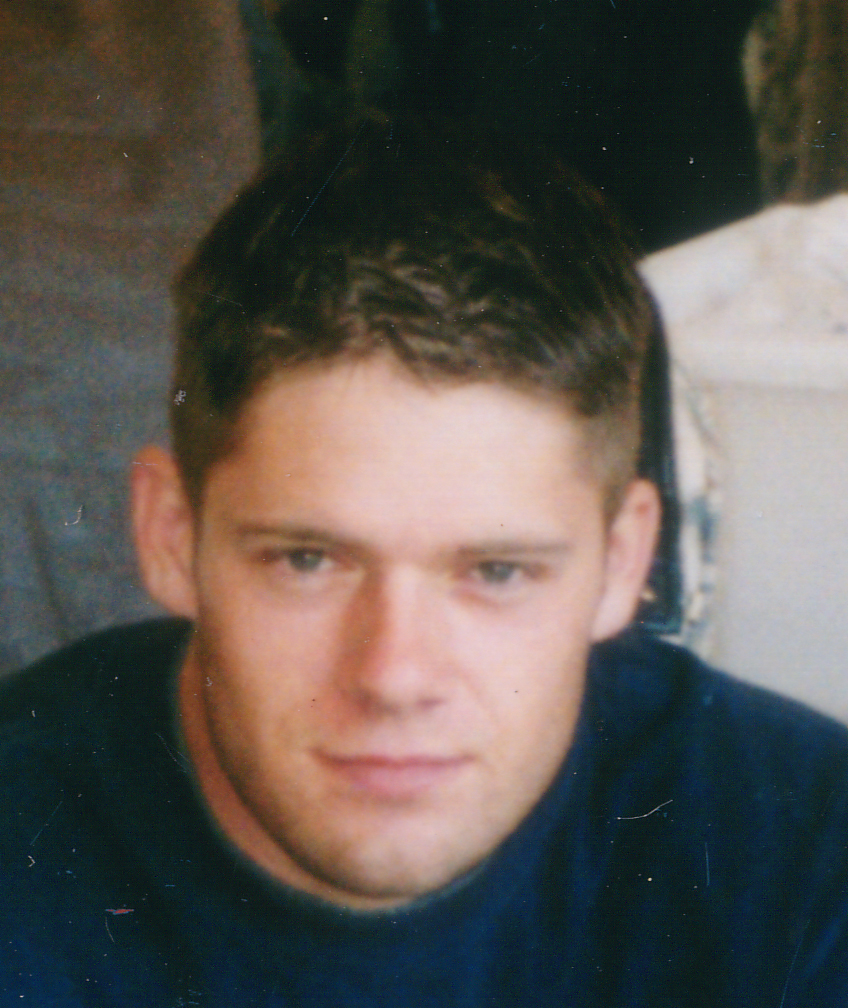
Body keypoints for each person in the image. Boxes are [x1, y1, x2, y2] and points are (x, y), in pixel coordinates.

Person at [0, 116, 846, 1006]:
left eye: (498, 573)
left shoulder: (804, 861)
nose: (395, 676)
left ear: (624, 561)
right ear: (171, 535)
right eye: (307, 560)